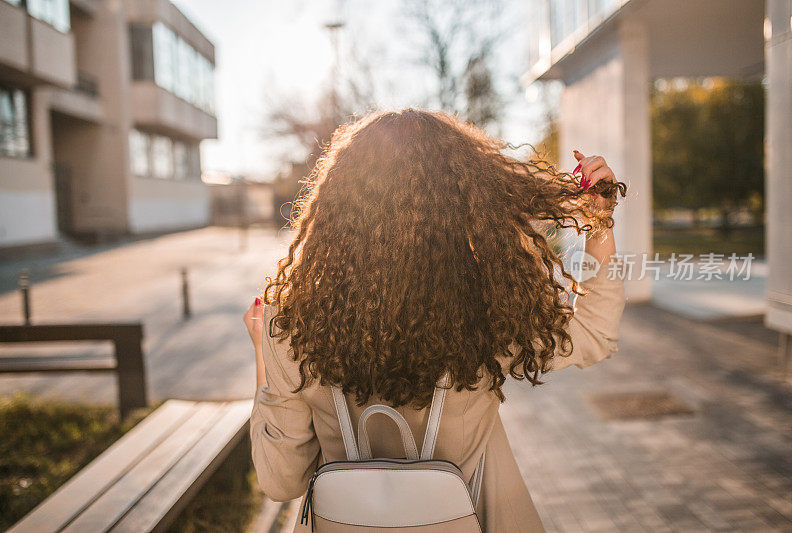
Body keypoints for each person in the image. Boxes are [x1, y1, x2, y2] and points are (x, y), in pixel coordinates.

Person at [243, 109, 627, 532]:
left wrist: (265, 351)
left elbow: (281, 481)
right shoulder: (490, 311)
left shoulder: (296, 323)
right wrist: (599, 226)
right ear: (466, 204)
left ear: (337, 209)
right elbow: (596, 334)